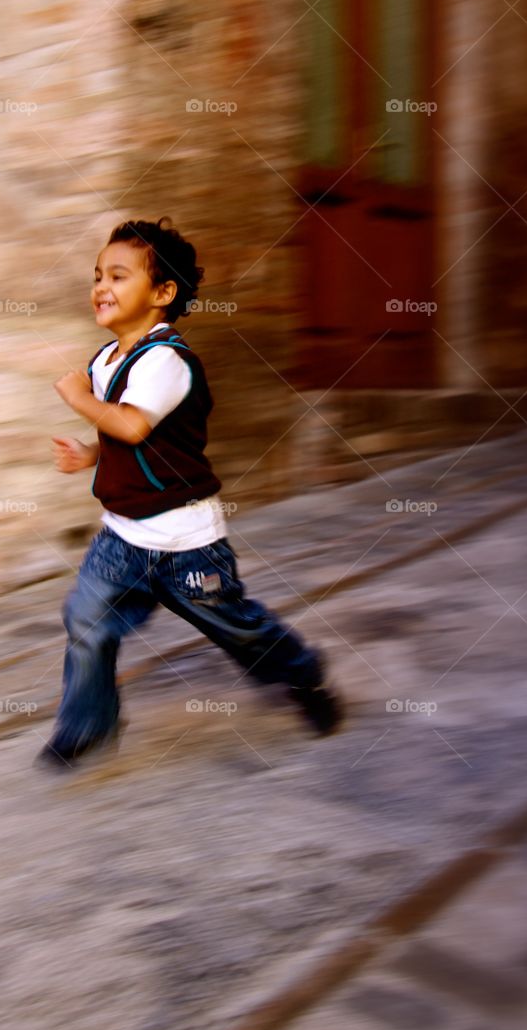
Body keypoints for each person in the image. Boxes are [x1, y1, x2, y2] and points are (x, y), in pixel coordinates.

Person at [39, 217, 342, 768]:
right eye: (97, 275)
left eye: (118, 275)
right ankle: (88, 722)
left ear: (162, 294)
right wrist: (89, 453)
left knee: (241, 631)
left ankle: (303, 675)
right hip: (123, 538)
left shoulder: (166, 361)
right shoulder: (106, 361)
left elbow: (132, 425)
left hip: (187, 545)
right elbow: (120, 435)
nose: (101, 286)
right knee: (85, 618)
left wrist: (75, 398)